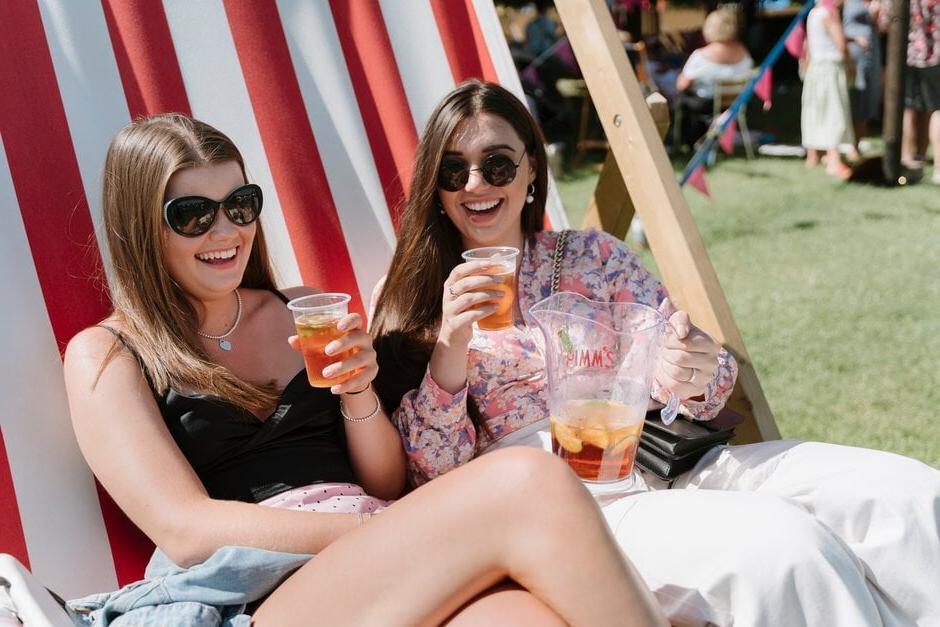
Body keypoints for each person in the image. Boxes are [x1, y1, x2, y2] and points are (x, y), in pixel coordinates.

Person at [371, 80, 940, 626]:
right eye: (453, 170)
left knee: (907, 498)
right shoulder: (410, 300)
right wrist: (449, 344)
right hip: (569, 505)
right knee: (787, 551)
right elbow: (432, 476)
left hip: (671, 454)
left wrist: (691, 364)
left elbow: (705, 382)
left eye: (497, 163)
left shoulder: (593, 255)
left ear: (530, 173)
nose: (475, 183)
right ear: (435, 187)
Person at [61, 114, 666, 626]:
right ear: (141, 225)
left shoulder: (301, 307)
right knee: (529, 480)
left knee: (524, 618)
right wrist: (370, 527)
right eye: (193, 214)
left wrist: (357, 394)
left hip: (379, 561)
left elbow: (382, 482)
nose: (228, 231)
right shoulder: (109, 353)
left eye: (241, 205)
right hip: (261, 595)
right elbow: (186, 530)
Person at [674, 9, 754, 149]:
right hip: (734, 103)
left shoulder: (701, 55)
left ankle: (688, 141)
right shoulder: (744, 52)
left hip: (706, 103)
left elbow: (682, 85)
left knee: (681, 100)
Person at [801, 0, 856, 179]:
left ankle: (813, 155)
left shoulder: (813, 12)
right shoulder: (829, 13)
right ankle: (834, 160)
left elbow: (807, 45)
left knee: (814, 110)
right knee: (834, 111)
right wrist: (851, 65)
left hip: (815, 69)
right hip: (830, 68)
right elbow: (841, 44)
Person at [901, 0, 940, 183]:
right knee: (937, 110)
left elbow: (885, 22)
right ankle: (939, 167)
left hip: (909, 54)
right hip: (935, 56)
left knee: (910, 108)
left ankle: (908, 160)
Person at [843, 0, 884, 155]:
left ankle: (857, 144)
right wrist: (853, 39)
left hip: (871, 56)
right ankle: (847, 143)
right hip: (852, 58)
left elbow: (884, 28)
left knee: (867, 99)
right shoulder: (845, 2)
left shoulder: (876, 2)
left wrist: (876, 16)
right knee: (854, 98)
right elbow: (831, 23)